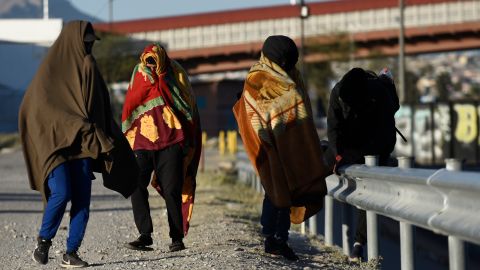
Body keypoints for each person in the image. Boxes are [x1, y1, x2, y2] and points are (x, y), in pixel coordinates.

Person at [19, 21, 139, 268]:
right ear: (73, 41)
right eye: (86, 42)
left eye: (92, 43)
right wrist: (68, 123)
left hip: (83, 143)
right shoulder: (49, 71)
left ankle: (71, 252)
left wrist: (103, 138)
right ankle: (44, 241)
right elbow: (33, 108)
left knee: (82, 199)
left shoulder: (89, 66)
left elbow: (98, 108)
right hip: (55, 145)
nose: (89, 47)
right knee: (62, 192)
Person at [233, 35, 329, 261]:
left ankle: (275, 238)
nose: (288, 65)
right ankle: (276, 239)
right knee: (277, 188)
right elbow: (254, 110)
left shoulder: (292, 76)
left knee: (284, 188)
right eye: (285, 61)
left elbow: (300, 109)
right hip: (265, 141)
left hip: (291, 142)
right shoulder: (257, 77)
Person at [121, 43, 201, 252]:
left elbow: (187, 104)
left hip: (171, 141)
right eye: (148, 59)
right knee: (136, 185)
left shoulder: (175, 74)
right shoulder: (138, 73)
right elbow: (131, 101)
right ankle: (144, 235)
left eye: (155, 59)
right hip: (141, 141)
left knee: (172, 189)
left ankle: (177, 238)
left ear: (163, 58)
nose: (151, 63)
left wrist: (163, 80)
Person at [327, 67, 399, 262]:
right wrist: (339, 155)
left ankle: (359, 245)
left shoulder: (379, 92)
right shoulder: (337, 93)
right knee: (322, 158)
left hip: (375, 144)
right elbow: (333, 129)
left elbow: (385, 137)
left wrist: (359, 154)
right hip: (350, 141)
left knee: (367, 190)